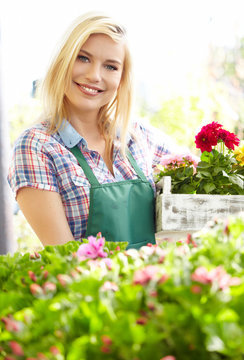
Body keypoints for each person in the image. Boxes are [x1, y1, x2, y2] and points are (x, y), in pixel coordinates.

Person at [8, 12, 174, 249]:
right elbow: (63, 256)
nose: (94, 76)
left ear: (122, 78)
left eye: (111, 66)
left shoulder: (138, 137)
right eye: (83, 58)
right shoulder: (37, 146)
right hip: (87, 284)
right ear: (63, 61)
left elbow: (203, 181)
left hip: (155, 282)